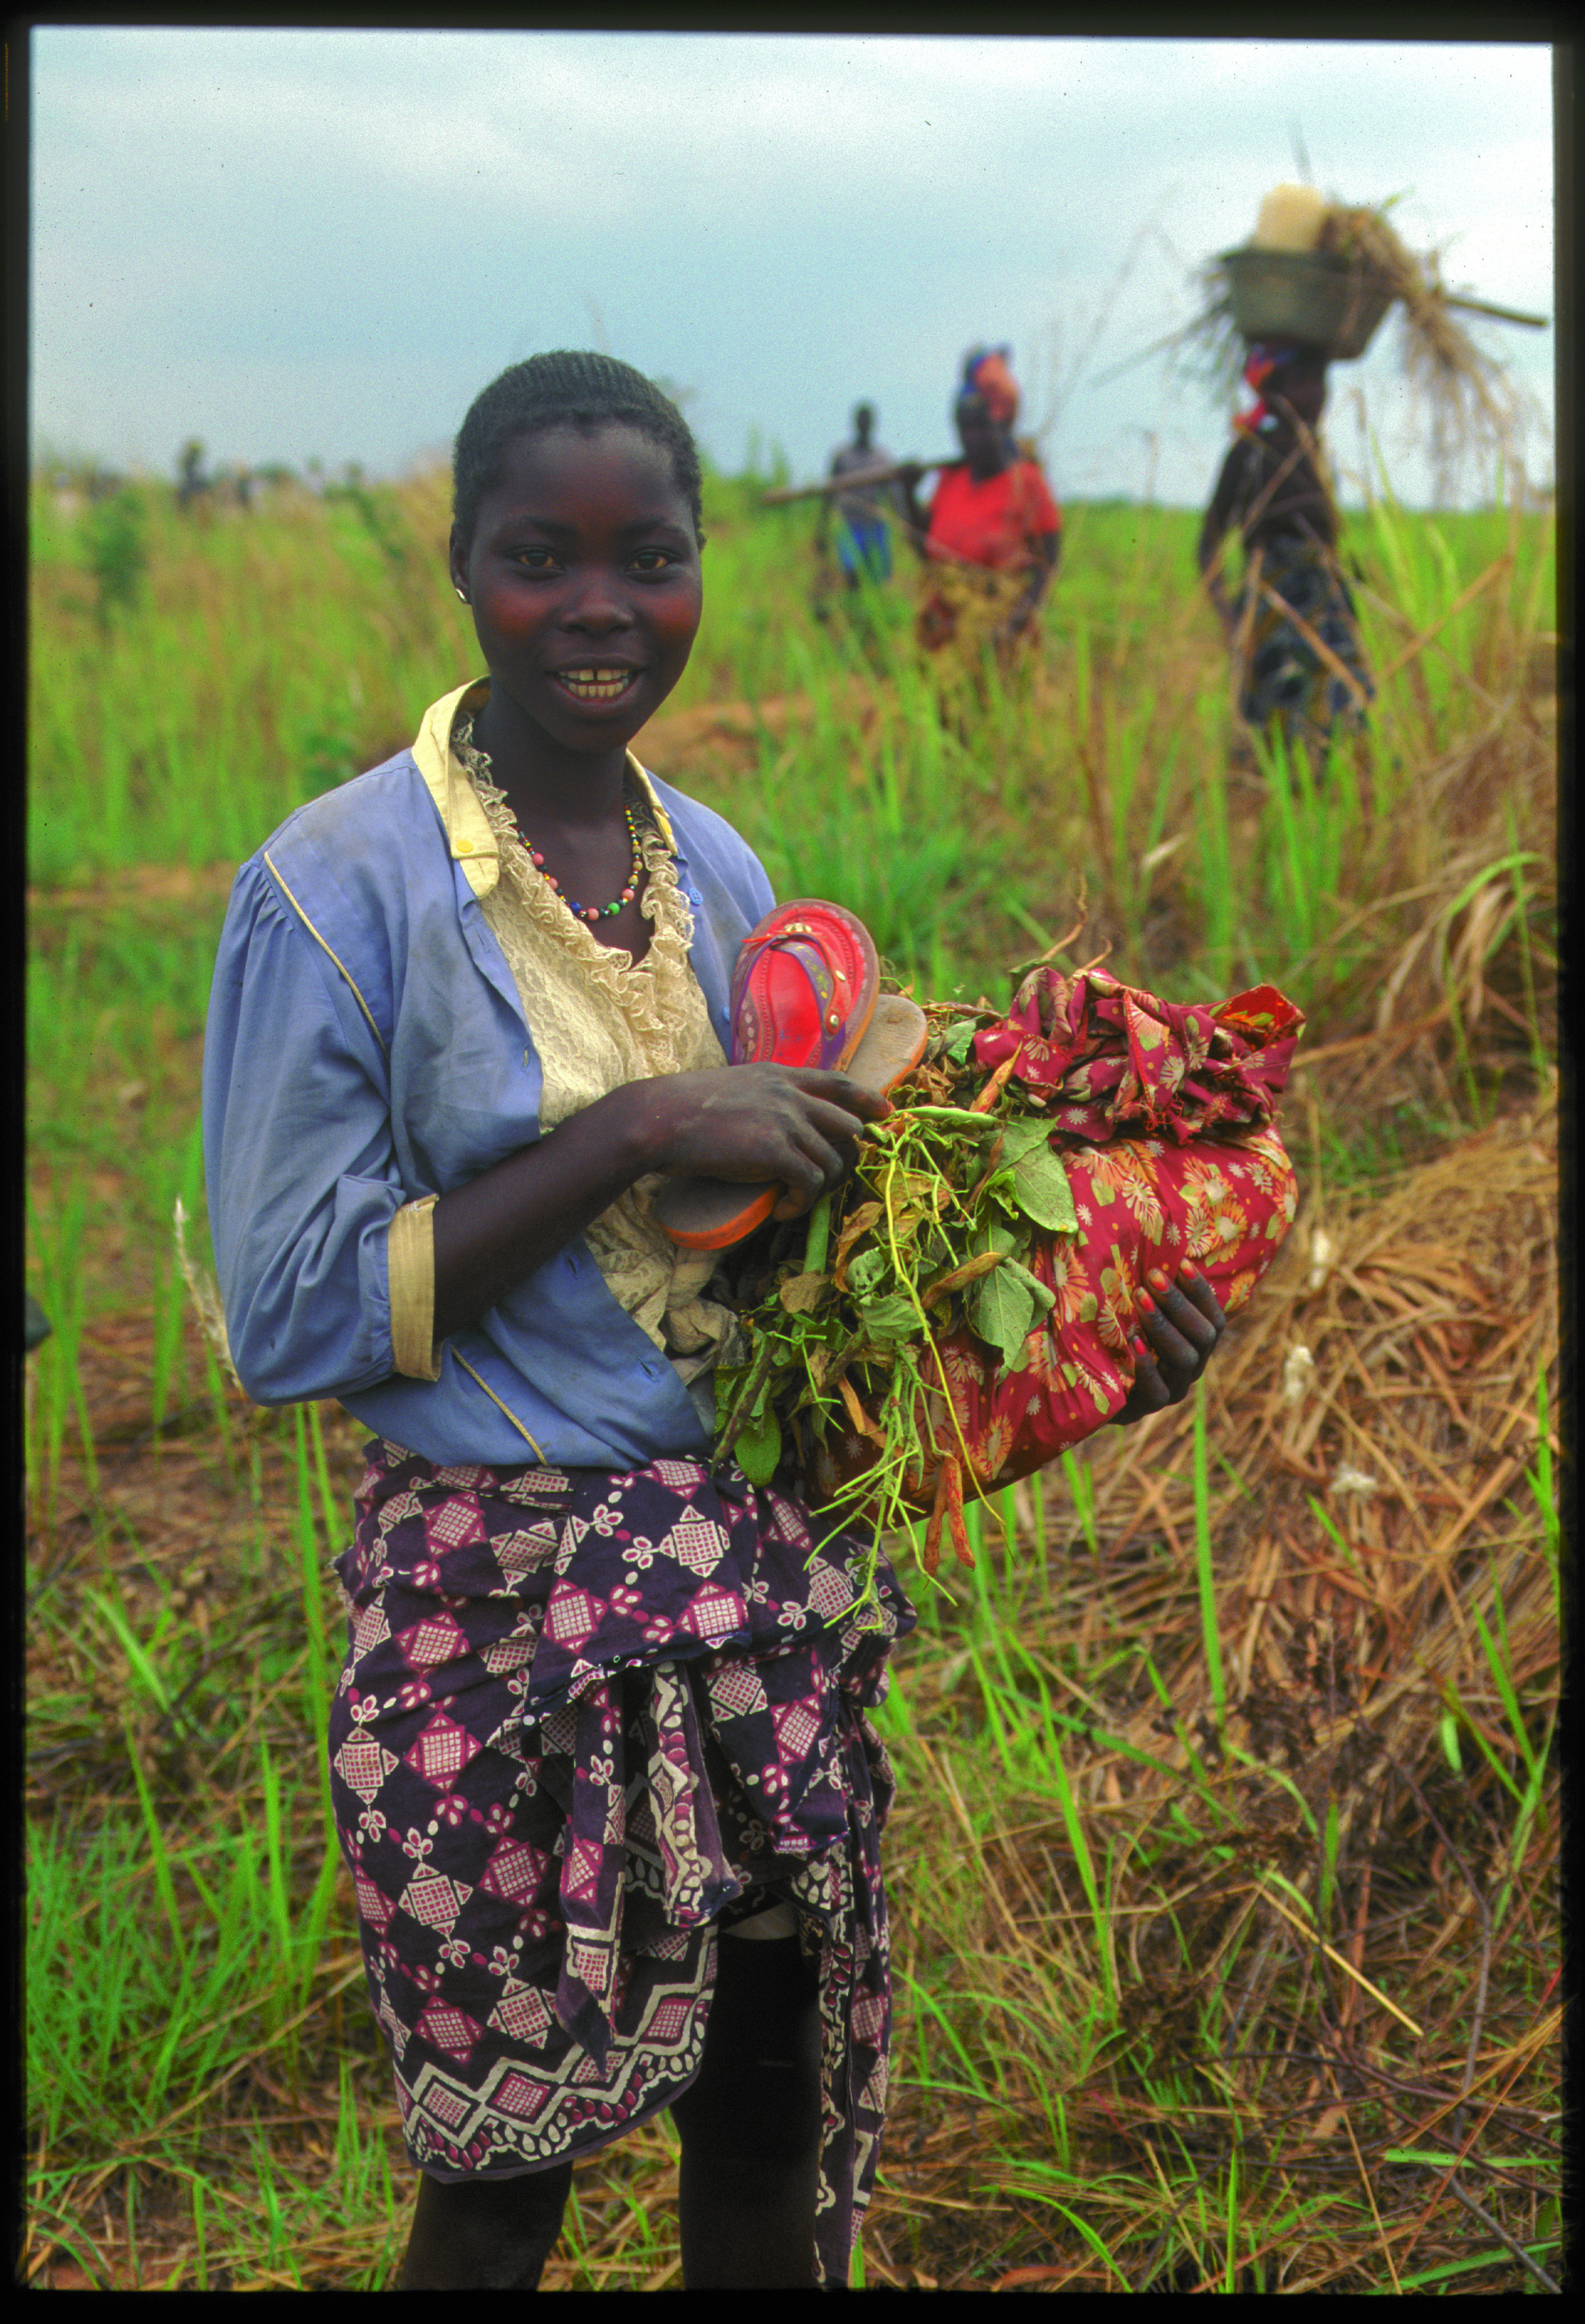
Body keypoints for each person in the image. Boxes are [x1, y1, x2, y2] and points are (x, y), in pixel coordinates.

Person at [202, 350, 1224, 2292]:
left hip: (748, 1602)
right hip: (489, 1626)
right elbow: (291, 1315)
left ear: (697, 574)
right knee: (496, 2186)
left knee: (757, 2153)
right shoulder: (333, 894)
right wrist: (631, 1129)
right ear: (460, 566)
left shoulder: (728, 878)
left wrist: (1082, 1357)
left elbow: (789, 1320)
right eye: (539, 557)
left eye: (648, 558)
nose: (599, 607)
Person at [1197, 341, 1374, 763]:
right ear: (1272, 391)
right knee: (1276, 722)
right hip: (1274, 608)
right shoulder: (1249, 453)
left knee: (1342, 717)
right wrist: (1230, 616)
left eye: (1320, 382)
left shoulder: (1316, 452)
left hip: (1327, 608)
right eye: (1302, 382)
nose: (1316, 394)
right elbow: (1208, 544)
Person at [897, 347, 1063, 672]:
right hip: (944, 636)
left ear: (999, 426)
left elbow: (1048, 564)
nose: (971, 439)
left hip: (998, 634)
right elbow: (924, 548)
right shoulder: (950, 480)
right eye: (964, 429)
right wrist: (906, 493)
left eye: (979, 427)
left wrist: (1014, 624)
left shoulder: (1026, 482)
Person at [816, 402, 898, 592]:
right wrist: (822, 528)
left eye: (867, 422)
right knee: (852, 577)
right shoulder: (842, 457)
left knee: (878, 578)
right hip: (850, 526)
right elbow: (828, 494)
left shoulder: (882, 458)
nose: (864, 425)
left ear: (873, 425)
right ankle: (854, 613)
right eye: (861, 421)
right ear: (855, 424)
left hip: (875, 526)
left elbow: (893, 495)